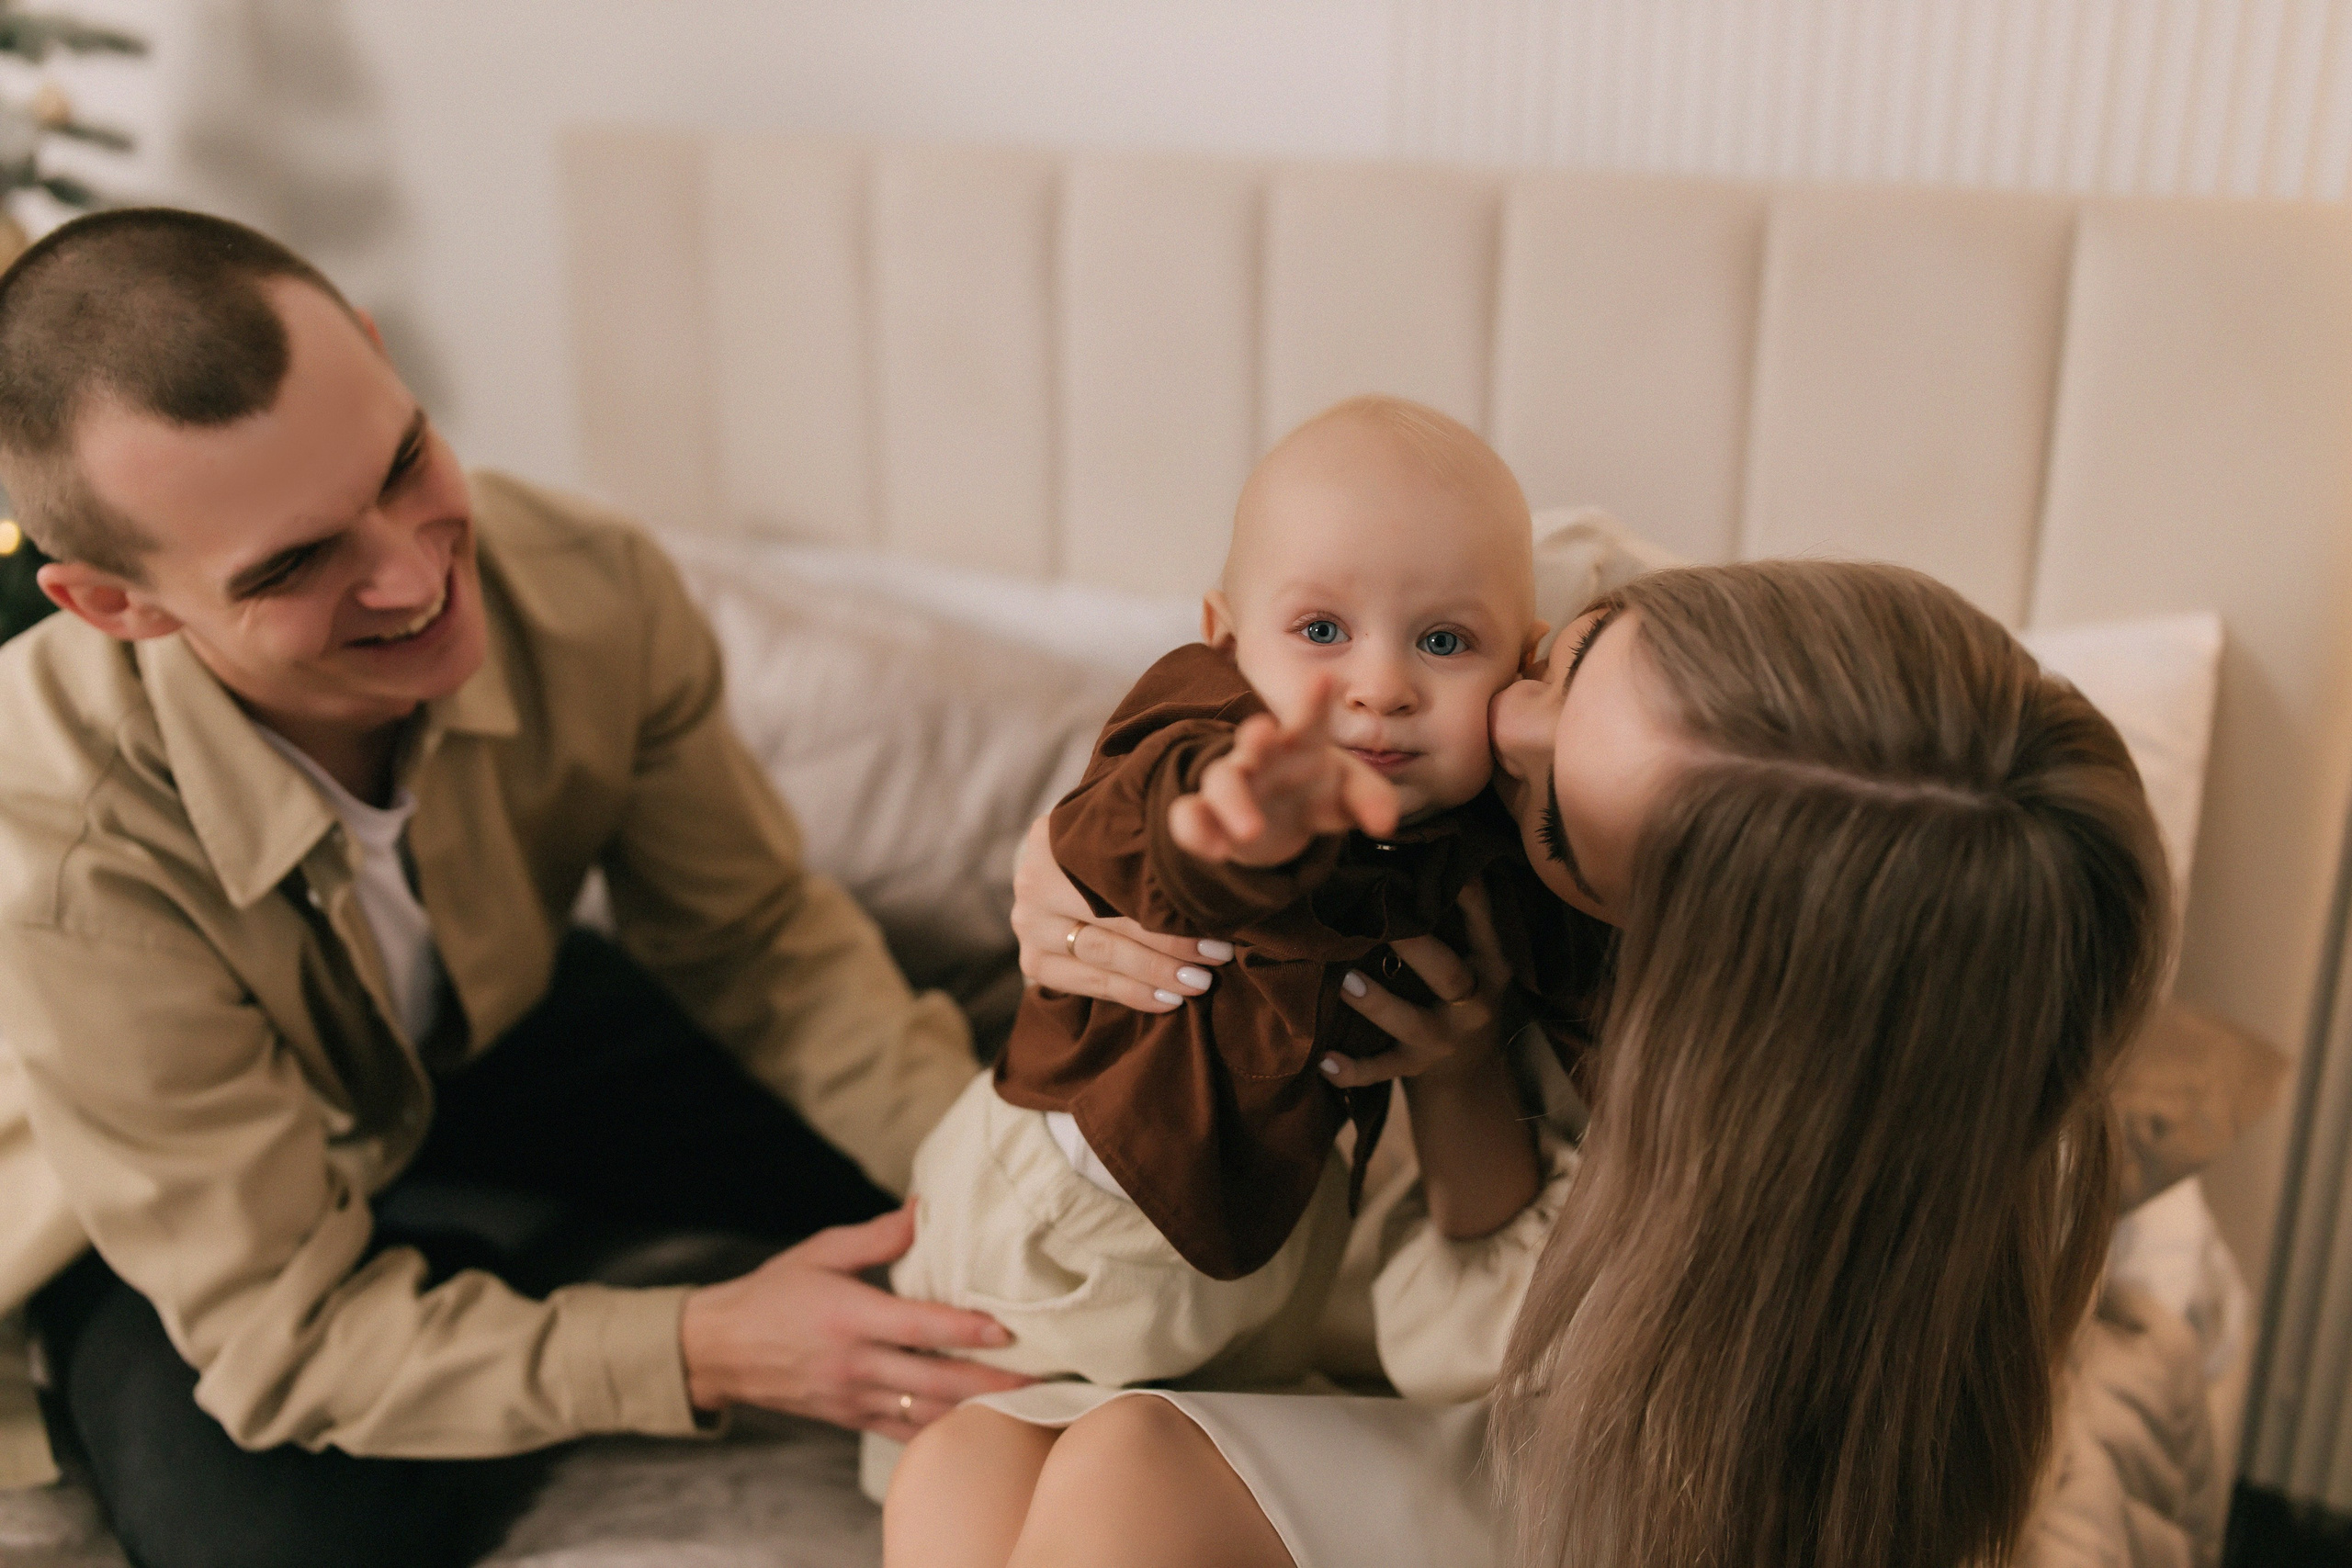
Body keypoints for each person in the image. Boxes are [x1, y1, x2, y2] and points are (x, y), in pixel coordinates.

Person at [0, 208, 1027, 1568]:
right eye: (297, 565)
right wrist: (696, 1344)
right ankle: (501, 1312)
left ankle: (486, 1303)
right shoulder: (61, 857)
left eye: (405, 458)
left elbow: (756, 940)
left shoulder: (589, 584)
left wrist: (988, 1179)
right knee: (276, 1535)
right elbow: (281, 1341)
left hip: (466, 1034)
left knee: (985, 1123)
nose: (417, 574)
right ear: (116, 605)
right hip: (156, 1196)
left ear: (376, 357)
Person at [894, 558, 2167, 1568]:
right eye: (1565, 650)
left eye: (1553, 814)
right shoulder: (1516, 594)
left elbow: (1491, 1360)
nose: (1499, 711)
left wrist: (1461, 1079)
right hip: (1405, 1322)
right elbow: (1269, 659)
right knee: (964, 1457)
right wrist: (1087, 843)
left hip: (1615, 1452)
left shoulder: (1798, 1205)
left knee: (1133, 1469)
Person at [882, 398, 1602, 1437]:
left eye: (1443, 641)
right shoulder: (1208, 738)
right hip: (1071, 1211)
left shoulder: (1485, 838)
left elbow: (1566, 987)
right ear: (1223, 639)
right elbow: (1151, 829)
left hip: (1274, 1246)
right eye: (1320, 631)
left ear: (1522, 664)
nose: (1380, 686)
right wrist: (1245, 826)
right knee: (967, 1446)